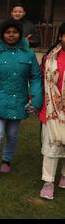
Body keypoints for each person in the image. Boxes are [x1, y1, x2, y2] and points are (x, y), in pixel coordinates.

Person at [0, 19, 42, 186]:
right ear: (3, 34)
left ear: (19, 34)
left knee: (12, 135)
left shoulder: (28, 54)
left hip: (18, 102)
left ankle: (6, 160)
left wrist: (35, 98)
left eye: (14, 32)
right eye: (8, 32)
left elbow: (35, 77)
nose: (11, 35)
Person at [38, 22, 65, 200]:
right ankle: (48, 182)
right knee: (51, 147)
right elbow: (42, 81)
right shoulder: (51, 57)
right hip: (52, 110)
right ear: (61, 36)